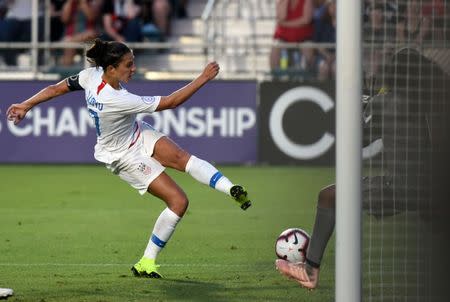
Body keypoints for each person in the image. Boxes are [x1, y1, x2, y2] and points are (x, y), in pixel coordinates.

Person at [6, 38, 252, 278]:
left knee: (182, 158)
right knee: (178, 202)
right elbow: (171, 102)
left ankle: (231, 189)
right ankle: (147, 261)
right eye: (128, 65)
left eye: (133, 62)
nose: (134, 69)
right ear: (111, 69)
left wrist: (26, 104)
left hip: (135, 132)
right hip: (122, 156)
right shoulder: (117, 99)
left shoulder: (91, 76)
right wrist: (203, 78)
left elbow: (55, 88)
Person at [275, 48, 446, 289]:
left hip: (399, 188)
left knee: (328, 195)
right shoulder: (431, 99)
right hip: (436, 186)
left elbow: (359, 139)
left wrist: (362, 101)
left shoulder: (386, 102)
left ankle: (310, 271)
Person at [270, 0, 314, 71]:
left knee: (308, 47)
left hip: (303, 37)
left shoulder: (307, 1)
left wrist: (286, 24)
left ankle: (308, 77)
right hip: (283, 36)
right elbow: (281, 17)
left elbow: (306, 20)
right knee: (275, 46)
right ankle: (275, 78)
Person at [60, 0, 103, 66]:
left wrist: (83, 2)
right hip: (71, 35)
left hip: (88, 36)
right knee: (69, 42)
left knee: (89, 34)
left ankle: (67, 66)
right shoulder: (70, 4)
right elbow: (64, 19)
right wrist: (69, 2)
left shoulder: (93, 3)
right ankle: (67, 69)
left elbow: (91, 17)